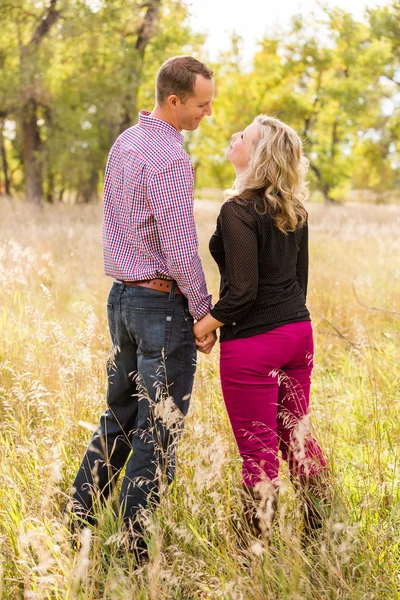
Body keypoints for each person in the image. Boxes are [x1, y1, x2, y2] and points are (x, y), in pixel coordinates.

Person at [69, 56, 216, 556]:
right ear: (174, 101)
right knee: (158, 430)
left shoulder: (125, 143)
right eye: (202, 105)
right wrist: (201, 310)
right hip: (160, 306)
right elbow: (179, 245)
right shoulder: (170, 157)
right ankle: (133, 550)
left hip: (123, 300)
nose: (208, 114)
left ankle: (79, 522)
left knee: (121, 417)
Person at [193, 115, 329, 543]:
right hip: (297, 335)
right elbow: (300, 285)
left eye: (244, 136)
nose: (234, 137)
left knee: (258, 451)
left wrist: (205, 324)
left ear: (259, 155)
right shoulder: (295, 211)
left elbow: (243, 293)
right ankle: (321, 536)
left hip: (253, 344)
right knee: (297, 437)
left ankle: (254, 553)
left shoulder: (237, 211)